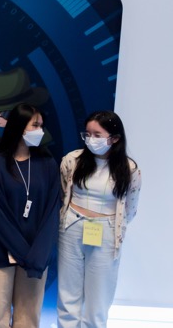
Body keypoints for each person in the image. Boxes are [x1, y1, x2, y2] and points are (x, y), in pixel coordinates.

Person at [0, 103, 60, 328]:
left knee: (28, 317)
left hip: (35, 255)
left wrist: (37, 254)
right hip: (0, 252)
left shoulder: (48, 164)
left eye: (41, 126)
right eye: (35, 125)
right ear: (19, 126)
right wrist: (23, 252)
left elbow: (51, 212)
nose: (40, 131)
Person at [57, 111, 141, 328]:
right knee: (68, 293)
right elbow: (64, 192)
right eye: (87, 134)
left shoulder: (130, 169)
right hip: (72, 226)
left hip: (106, 230)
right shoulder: (72, 160)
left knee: (99, 298)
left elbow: (130, 209)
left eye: (97, 134)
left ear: (115, 138)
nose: (91, 139)